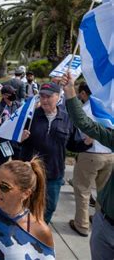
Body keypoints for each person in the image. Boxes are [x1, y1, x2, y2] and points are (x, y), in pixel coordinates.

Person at [20, 82, 91, 223]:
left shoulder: (67, 118)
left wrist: (85, 144)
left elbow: (72, 145)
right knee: (27, 206)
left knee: (49, 207)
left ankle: (40, 230)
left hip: (54, 174)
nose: (44, 100)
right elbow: (9, 140)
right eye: (42, 96)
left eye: (49, 96)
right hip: (31, 173)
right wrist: (19, 139)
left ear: (58, 97)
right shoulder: (30, 116)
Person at [61, 72, 114, 260]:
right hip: (104, 224)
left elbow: (86, 124)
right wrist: (70, 92)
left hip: (92, 156)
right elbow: (87, 124)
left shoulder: (94, 105)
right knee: (97, 191)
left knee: (83, 190)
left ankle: (82, 224)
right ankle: (93, 219)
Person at [0, 85, 22, 168]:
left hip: (16, 138)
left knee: (17, 163)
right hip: (4, 140)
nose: (14, 94)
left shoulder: (18, 104)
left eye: (14, 92)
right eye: (11, 93)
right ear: (4, 95)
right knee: (3, 162)